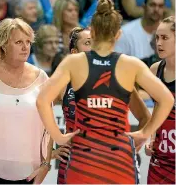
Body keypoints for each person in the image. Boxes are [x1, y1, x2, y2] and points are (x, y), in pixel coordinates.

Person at [36, 0, 174, 184]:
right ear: (118, 34)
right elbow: (166, 99)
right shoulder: (130, 64)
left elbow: (42, 100)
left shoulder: (74, 62)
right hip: (119, 160)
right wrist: (145, 133)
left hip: (83, 159)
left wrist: (59, 136)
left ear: (92, 32)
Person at [0, 18, 63, 184]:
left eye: (28, 42)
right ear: (3, 45)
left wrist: (45, 164)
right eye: (18, 42)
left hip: (27, 174)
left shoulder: (42, 78)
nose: (25, 47)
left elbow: (48, 127)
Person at [52, 26, 152, 184]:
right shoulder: (63, 83)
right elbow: (37, 112)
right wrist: (51, 151)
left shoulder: (119, 78)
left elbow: (145, 117)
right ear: (74, 53)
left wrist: (131, 147)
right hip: (74, 164)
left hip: (111, 164)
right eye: (87, 43)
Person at [145, 16, 175, 184]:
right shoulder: (155, 70)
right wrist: (151, 135)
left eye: (165, 38)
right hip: (160, 160)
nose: (159, 43)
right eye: (157, 37)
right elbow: (157, 109)